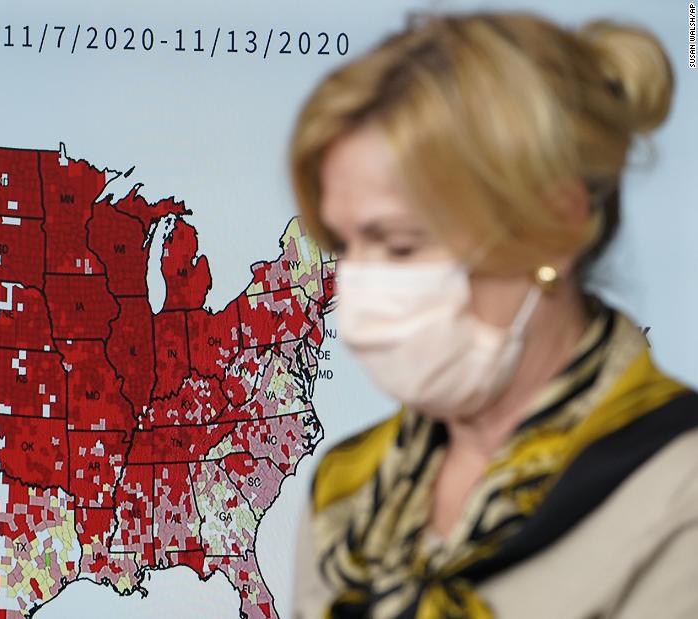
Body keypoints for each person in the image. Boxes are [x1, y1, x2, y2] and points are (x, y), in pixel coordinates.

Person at [288, 10, 697, 619]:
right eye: (345, 246)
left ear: (555, 224)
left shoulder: (677, 487)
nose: (360, 285)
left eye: (400, 245)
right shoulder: (347, 494)